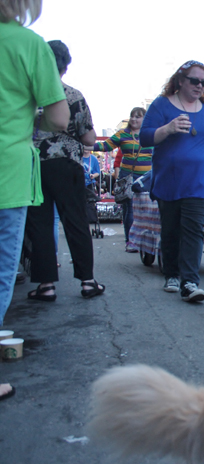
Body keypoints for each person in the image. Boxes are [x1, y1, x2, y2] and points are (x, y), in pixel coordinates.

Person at [0, 0, 69, 324]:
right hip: (7, 173)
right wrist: (30, 118)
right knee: (2, 271)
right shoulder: (28, 43)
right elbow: (59, 118)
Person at [140, 60, 204, 303]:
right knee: (171, 230)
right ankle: (171, 273)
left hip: (200, 181)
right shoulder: (161, 105)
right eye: (194, 80)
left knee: (192, 231)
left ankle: (190, 282)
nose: (200, 85)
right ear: (180, 81)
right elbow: (144, 138)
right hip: (170, 179)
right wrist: (167, 129)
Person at [26, 39, 106, 301]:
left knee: (40, 223)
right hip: (66, 164)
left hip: (34, 163)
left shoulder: (28, 93)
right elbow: (89, 139)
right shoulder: (72, 95)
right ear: (65, 66)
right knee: (75, 221)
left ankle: (46, 284)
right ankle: (88, 281)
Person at [94, 107, 151, 252]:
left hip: (148, 178)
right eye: (132, 116)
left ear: (145, 118)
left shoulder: (151, 134)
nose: (133, 119)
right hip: (128, 178)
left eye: (138, 116)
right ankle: (130, 241)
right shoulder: (122, 134)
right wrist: (86, 145)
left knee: (148, 209)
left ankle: (146, 239)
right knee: (130, 209)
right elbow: (105, 145)